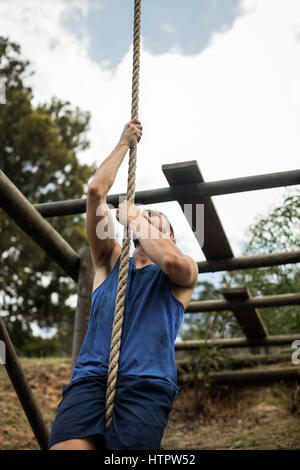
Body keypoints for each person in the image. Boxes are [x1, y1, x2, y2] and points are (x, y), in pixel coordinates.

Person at [48, 119, 198, 450]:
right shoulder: (111, 261)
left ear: (169, 236)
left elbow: (170, 261)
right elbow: (95, 193)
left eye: (155, 219)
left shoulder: (182, 272)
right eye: (145, 215)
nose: (147, 217)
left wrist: (134, 218)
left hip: (147, 384)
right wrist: (123, 143)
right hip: (90, 379)